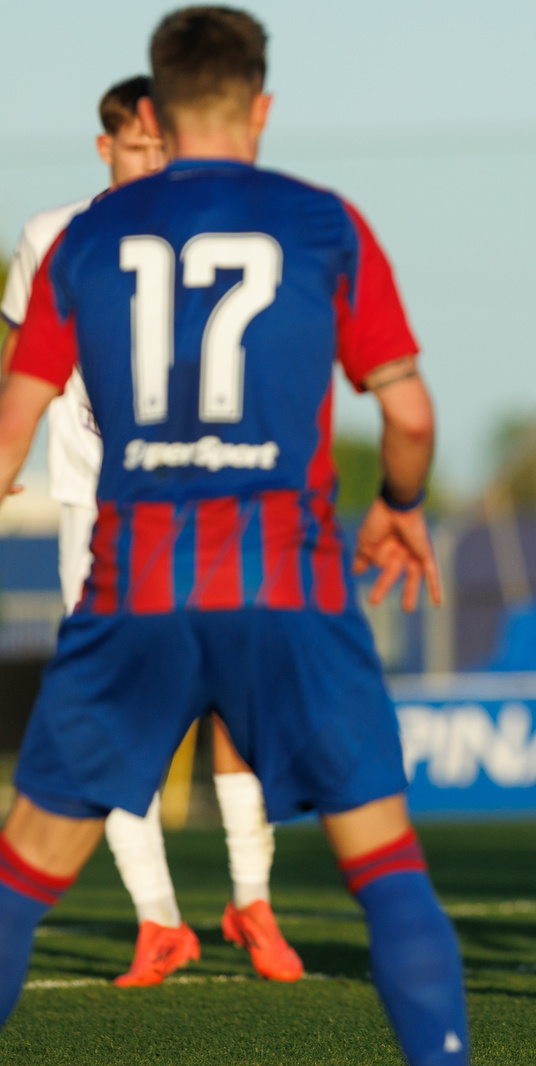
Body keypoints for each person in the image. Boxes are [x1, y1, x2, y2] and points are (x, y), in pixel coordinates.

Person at [0, 8, 467, 1063]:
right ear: (260, 108)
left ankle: (172, 914)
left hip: (132, 586)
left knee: (23, 872)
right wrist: (398, 504)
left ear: (156, 113)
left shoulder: (86, 238)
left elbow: (11, 425)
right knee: (385, 861)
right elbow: (411, 415)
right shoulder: (323, 223)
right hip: (287, 586)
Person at [0, 72, 301, 989]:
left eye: (167, 145)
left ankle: (252, 897)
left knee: (238, 699)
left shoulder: (224, 234)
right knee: (114, 712)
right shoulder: (52, 237)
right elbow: (23, 367)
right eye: (139, 147)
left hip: (217, 506)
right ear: (107, 148)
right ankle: (157, 921)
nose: (155, 162)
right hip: (100, 516)